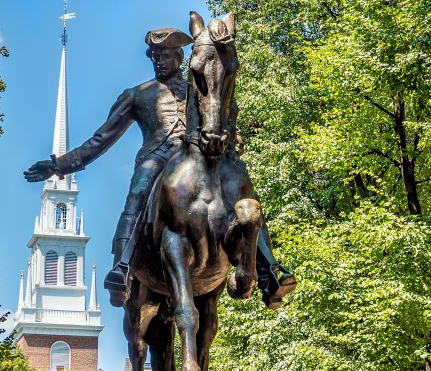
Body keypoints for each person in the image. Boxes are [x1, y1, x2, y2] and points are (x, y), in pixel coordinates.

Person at [24, 26, 294, 307]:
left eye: (165, 55)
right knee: (139, 191)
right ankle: (123, 267)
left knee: (242, 189)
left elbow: (223, 115)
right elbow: (100, 140)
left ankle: (268, 271)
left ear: (180, 56)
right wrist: (59, 167)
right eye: (154, 56)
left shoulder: (198, 89)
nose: (159, 61)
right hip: (158, 157)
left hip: (199, 160)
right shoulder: (137, 95)